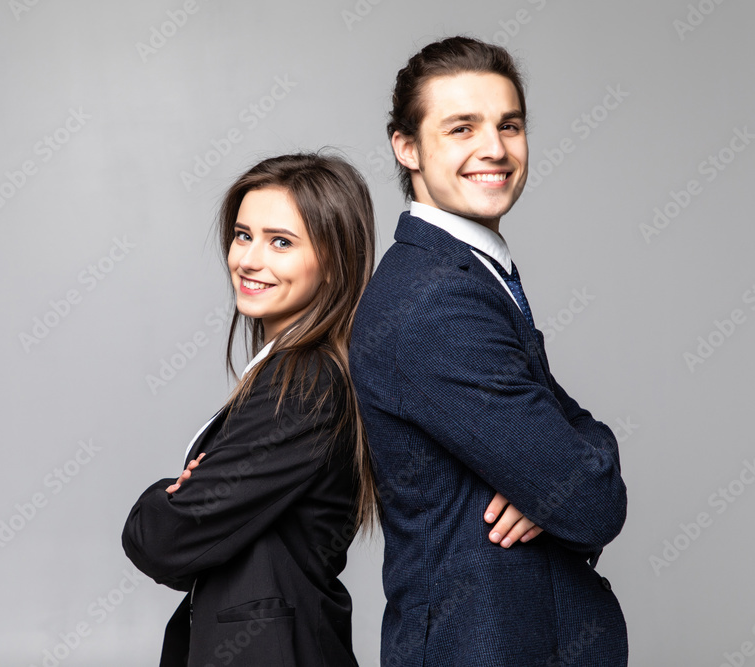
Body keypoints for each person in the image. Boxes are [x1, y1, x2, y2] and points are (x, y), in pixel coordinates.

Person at [349, 36, 629, 666]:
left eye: (510, 125)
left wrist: (566, 470)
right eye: (461, 128)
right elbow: (591, 502)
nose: (495, 149)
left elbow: (578, 462)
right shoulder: (434, 302)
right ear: (407, 147)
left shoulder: (469, 276)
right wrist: (564, 479)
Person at [123, 152, 377, 667]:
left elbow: (163, 541)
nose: (249, 259)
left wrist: (166, 498)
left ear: (334, 263)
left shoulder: (306, 384)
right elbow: (189, 557)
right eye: (244, 235)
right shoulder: (286, 373)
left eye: (281, 242)